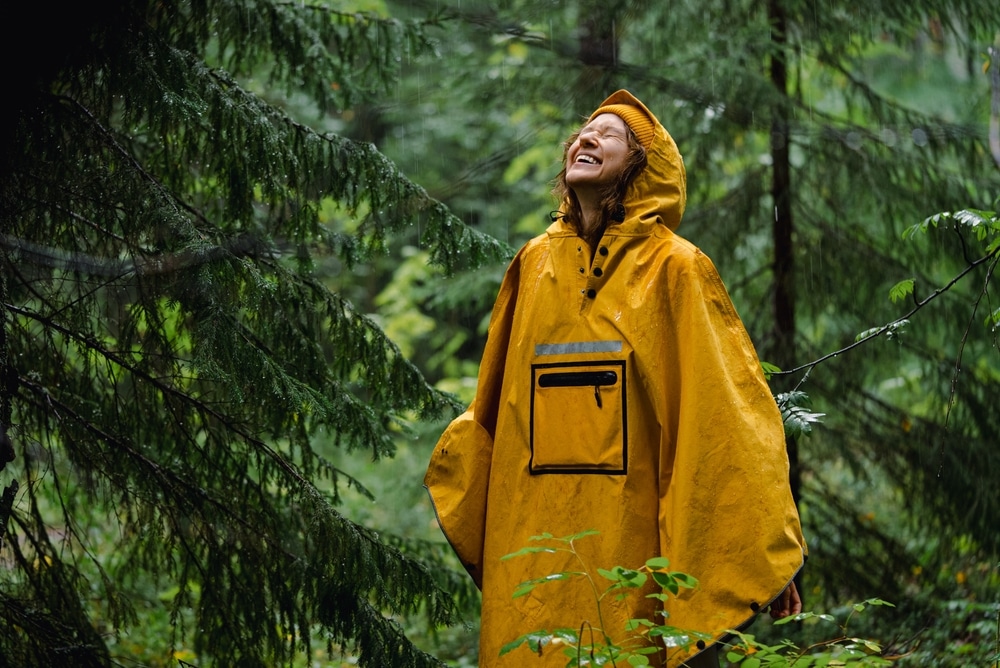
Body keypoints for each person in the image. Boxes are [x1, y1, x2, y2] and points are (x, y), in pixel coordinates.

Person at [424, 90, 806, 667]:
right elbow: (494, 414)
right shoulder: (532, 265)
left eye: (611, 134)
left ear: (640, 166)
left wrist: (757, 551)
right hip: (535, 560)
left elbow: (722, 419)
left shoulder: (676, 269)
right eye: (584, 132)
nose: (587, 138)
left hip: (637, 564)